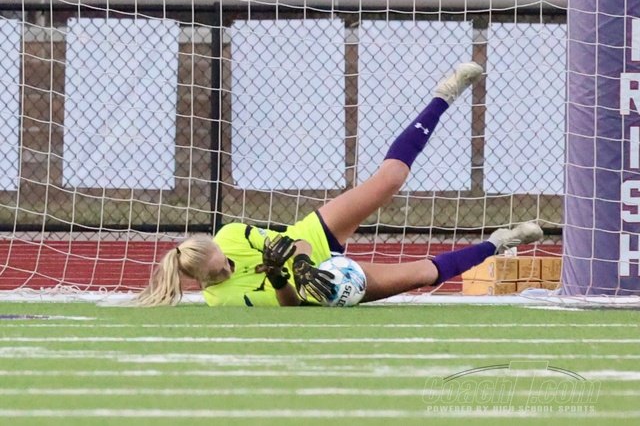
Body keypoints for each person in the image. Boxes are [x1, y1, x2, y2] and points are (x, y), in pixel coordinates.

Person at [135, 61, 544, 307]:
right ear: (203, 282)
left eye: (224, 260)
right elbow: (289, 307)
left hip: (312, 239)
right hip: (323, 291)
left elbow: (296, 243)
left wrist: (297, 262)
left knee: (390, 179)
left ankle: (443, 95)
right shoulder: (220, 300)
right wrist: (280, 278)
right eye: (220, 272)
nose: (227, 266)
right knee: (423, 274)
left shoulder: (229, 236)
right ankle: (500, 242)